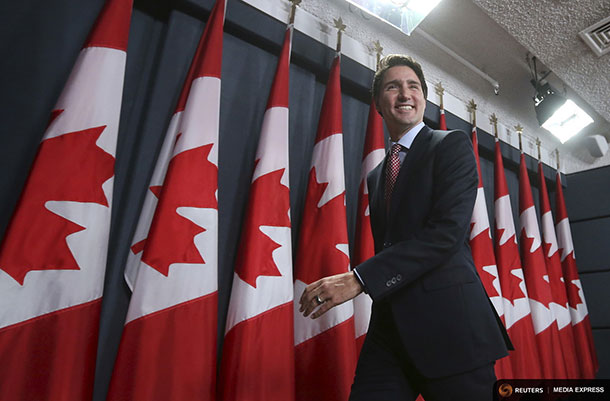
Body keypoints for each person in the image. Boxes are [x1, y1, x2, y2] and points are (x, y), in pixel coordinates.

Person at [299, 54, 511, 401]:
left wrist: (358, 279)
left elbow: (445, 235)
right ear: (378, 104)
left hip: (451, 328)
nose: (404, 94)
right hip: (389, 334)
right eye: (392, 87)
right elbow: (391, 246)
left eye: (413, 86)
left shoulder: (451, 145)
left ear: (423, 99)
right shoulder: (376, 175)